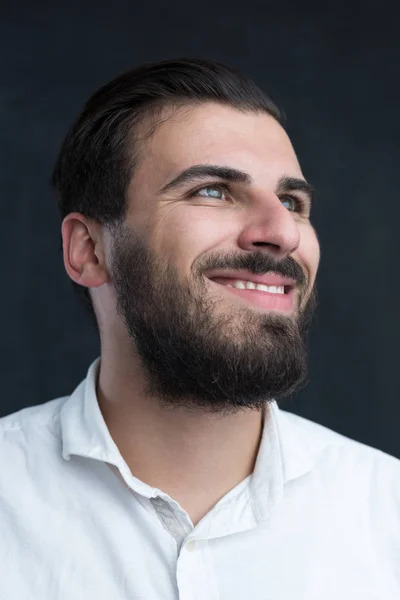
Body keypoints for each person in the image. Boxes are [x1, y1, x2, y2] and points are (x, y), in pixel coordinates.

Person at [0, 58, 398, 600]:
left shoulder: (387, 514)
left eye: (292, 202)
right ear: (89, 250)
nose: (281, 231)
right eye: (212, 190)